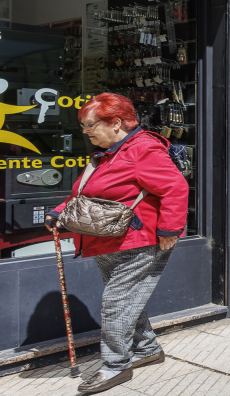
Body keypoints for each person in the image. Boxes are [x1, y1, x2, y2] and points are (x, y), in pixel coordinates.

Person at [46, 93, 188, 394]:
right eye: (83, 126)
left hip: (140, 240)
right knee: (127, 301)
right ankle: (147, 349)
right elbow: (85, 194)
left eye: (90, 125)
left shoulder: (143, 149)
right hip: (108, 240)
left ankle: (115, 366)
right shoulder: (108, 153)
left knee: (117, 303)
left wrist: (169, 229)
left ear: (117, 123)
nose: (85, 131)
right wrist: (59, 212)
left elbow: (175, 187)